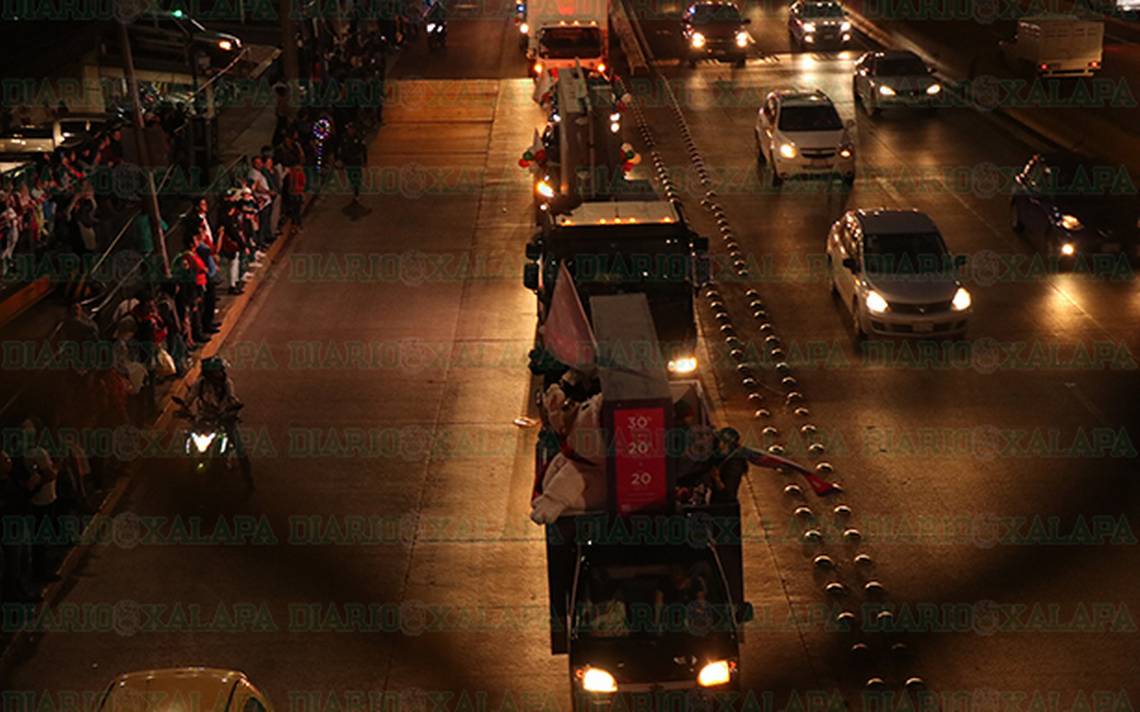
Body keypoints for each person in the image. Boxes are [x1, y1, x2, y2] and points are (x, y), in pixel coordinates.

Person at [184, 357, 252, 488]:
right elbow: (190, 398)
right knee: (189, 436)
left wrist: (233, 408)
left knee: (239, 447)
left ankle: (248, 479)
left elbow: (232, 398)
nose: (221, 373)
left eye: (221, 371)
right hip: (204, 418)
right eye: (218, 372)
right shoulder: (200, 384)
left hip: (223, 417)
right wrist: (184, 408)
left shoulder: (227, 384)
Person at [339, 122, 367, 201]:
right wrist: (341, 160)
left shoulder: (358, 138)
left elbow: (363, 149)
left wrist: (365, 160)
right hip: (348, 161)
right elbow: (342, 150)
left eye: (351, 129)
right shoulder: (344, 138)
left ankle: (356, 191)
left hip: (356, 161)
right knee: (350, 176)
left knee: (356, 177)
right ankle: (354, 187)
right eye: (348, 129)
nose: (349, 130)